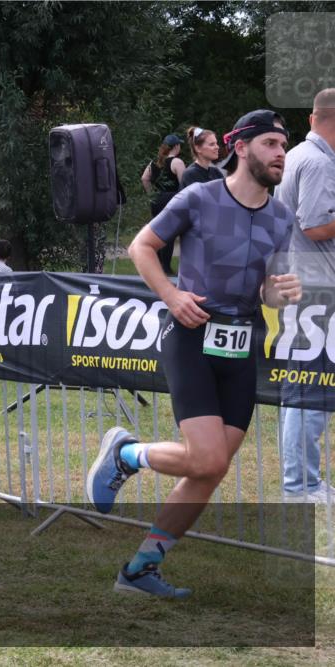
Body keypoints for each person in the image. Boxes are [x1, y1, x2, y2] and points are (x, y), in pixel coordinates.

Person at [89, 109, 301, 597]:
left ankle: (140, 569)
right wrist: (171, 295)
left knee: (211, 468)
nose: (280, 154)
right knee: (205, 459)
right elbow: (143, 246)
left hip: (241, 341)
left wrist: (280, 291)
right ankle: (125, 454)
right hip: (191, 333)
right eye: (270, 144)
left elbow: (267, 290)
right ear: (241, 147)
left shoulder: (282, 217)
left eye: (283, 146)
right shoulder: (199, 197)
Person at [276, 89, 335, 503]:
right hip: (316, 290)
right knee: (308, 393)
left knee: (305, 391)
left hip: (306, 286)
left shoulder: (298, 154)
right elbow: (315, 225)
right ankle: (301, 487)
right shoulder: (317, 162)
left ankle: (306, 480)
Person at [140, 134, 185, 274]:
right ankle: (165, 267)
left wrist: (151, 195)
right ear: (176, 146)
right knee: (169, 235)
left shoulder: (154, 162)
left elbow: (144, 179)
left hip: (156, 200)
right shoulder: (177, 162)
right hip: (171, 200)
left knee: (158, 233)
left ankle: (157, 266)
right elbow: (184, 183)